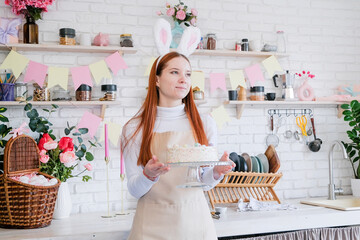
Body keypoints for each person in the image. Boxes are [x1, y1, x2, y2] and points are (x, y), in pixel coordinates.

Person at [121, 51, 235, 240]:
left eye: (188, 74)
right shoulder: (135, 128)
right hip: (150, 226)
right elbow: (134, 190)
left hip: (196, 225)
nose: (184, 79)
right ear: (156, 80)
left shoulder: (205, 124)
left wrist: (216, 172)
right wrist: (148, 176)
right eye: (174, 72)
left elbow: (204, 183)